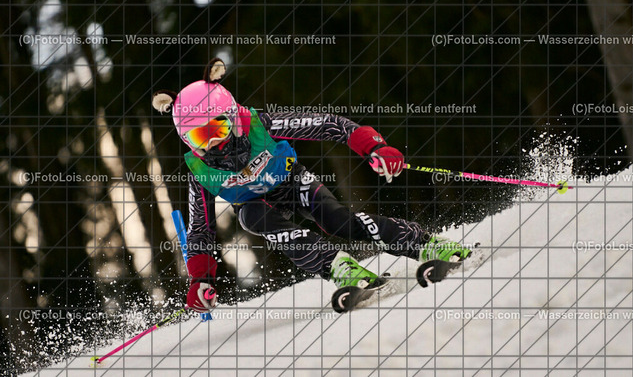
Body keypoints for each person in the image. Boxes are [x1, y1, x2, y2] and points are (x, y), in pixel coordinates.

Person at [153, 59, 472, 313]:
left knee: (339, 221)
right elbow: (200, 229)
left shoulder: (261, 124)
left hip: (292, 182)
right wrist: (200, 279)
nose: (213, 143)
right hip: (256, 205)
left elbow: (326, 124)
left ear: (233, 117)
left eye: (218, 128)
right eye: (199, 136)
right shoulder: (200, 171)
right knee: (251, 217)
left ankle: (425, 244)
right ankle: (339, 267)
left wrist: (374, 147)